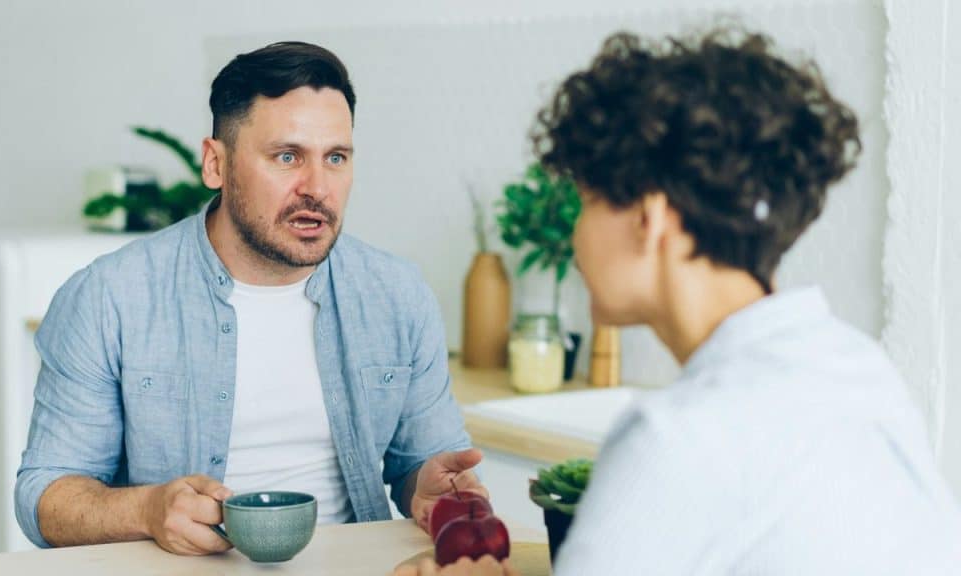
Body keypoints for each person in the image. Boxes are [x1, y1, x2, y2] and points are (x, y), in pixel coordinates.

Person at [395, 27, 961, 576]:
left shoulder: (680, 440)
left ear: (651, 218)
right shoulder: (858, 368)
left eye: (587, 201)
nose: (575, 238)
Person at [15, 41, 486, 555]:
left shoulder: (398, 295)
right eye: (287, 157)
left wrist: (431, 492)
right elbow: (45, 497)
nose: (317, 188)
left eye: (336, 158)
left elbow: (423, 465)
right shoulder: (109, 298)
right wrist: (146, 510)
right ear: (216, 164)